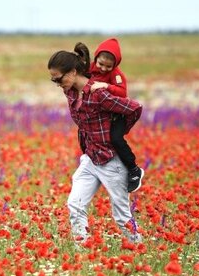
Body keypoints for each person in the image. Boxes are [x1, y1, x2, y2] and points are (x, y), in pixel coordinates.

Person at [48, 42, 143, 245]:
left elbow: (135, 107)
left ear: (73, 72)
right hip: (91, 158)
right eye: (53, 80)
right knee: (75, 204)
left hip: (111, 160)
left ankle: (139, 248)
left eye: (59, 78)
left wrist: (117, 132)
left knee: (121, 217)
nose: (57, 83)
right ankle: (83, 250)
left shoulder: (99, 95)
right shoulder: (71, 92)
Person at [88, 37, 144, 192]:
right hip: (101, 114)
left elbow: (122, 92)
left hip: (117, 114)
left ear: (115, 65)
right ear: (96, 58)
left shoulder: (117, 75)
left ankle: (133, 170)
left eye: (108, 66)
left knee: (116, 139)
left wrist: (106, 85)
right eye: (101, 64)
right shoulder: (90, 67)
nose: (103, 69)